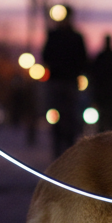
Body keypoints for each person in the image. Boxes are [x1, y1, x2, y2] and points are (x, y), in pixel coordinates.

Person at [41, 11, 88, 158]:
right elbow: (83, 59)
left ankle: (64, 149)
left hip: (63, 81)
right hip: (64, 81)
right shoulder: (73, 37)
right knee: (64, 116)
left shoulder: (57, 35)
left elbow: (46, 56)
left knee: (65, 116)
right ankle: (64, 149)